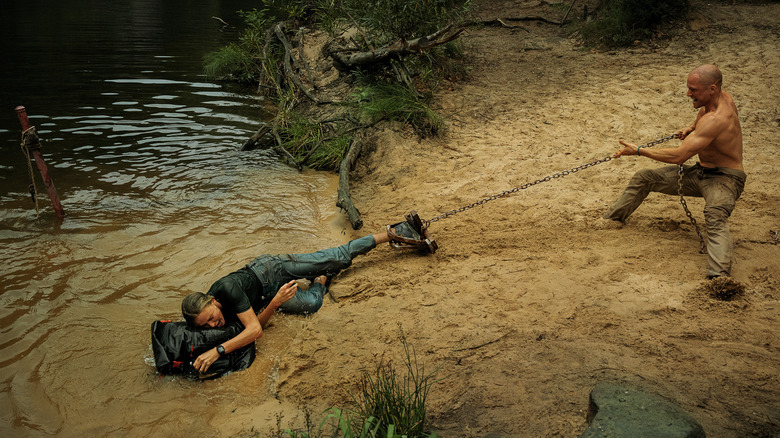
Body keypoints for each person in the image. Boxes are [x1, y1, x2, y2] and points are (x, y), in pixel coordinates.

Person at [181, 221, 422, 374]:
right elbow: (257, 324)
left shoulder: (227, 289)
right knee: (312, 304)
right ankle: (322, 277)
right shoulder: (215, 313)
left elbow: (254, 331)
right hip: (268, 297)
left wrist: (217, 351)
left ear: (212, 300)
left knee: (336, 257)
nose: (215, 324)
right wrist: (276, 302)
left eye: (212, 317)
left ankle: (394, 232)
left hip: (270, 270)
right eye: (207, 325)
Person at [602, 64, 746, 279]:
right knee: (644, 178)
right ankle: (612, 220)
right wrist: (690, 127)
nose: (688, 93)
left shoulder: (717, 120)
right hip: (700, 172)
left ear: (712, 89)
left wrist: (639, 150)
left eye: (693, 90)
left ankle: (719, 277)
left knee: (714, 215)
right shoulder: (722, 98)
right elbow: (703, 113)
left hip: (726, 179)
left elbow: (679, 157)